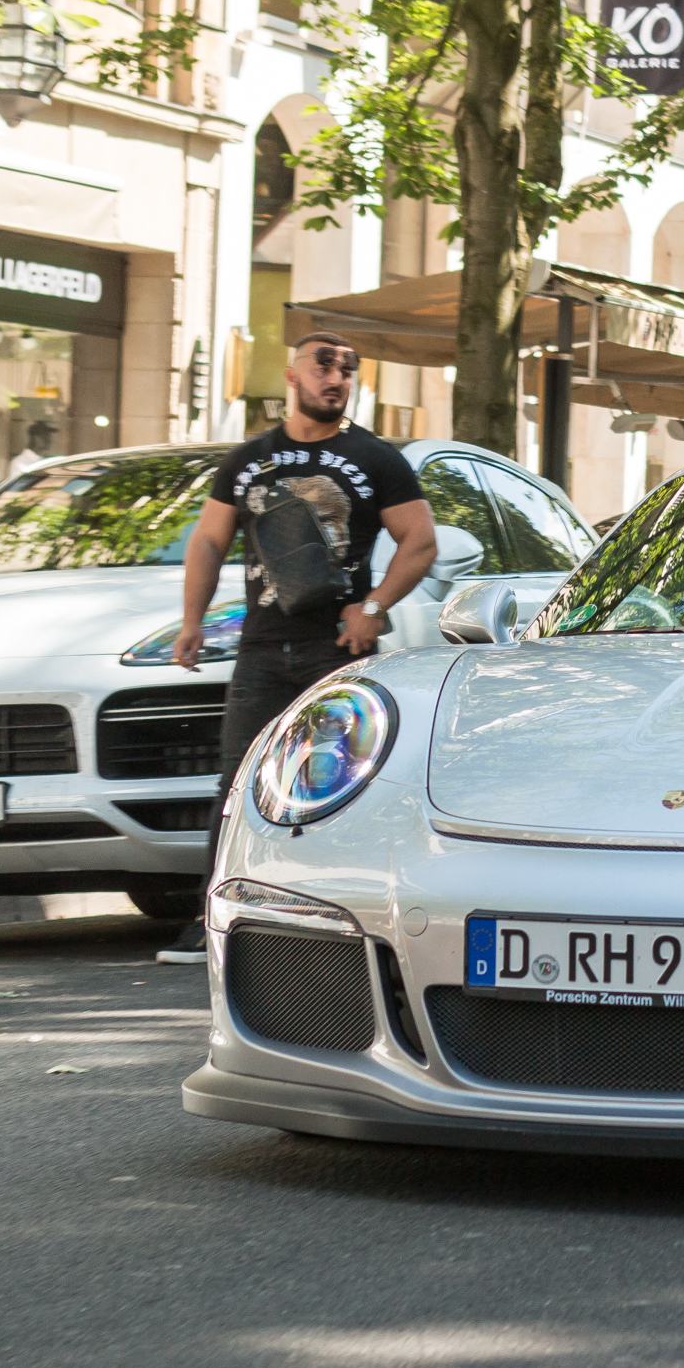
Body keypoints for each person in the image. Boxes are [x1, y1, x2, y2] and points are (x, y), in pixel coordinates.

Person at [154, 333, 438, 963]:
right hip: (262, 648)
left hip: (335, 648)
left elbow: (419, 541)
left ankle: (336, 927)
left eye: (348, 369)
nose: (336, 377)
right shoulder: (249, 460)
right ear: (292, 375)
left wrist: (373, 608)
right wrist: (190, 621)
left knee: (338, 787)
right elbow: (207, 541)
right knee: (238, 786)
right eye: (323, 365)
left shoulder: (375, 458)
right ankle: (211, 925)